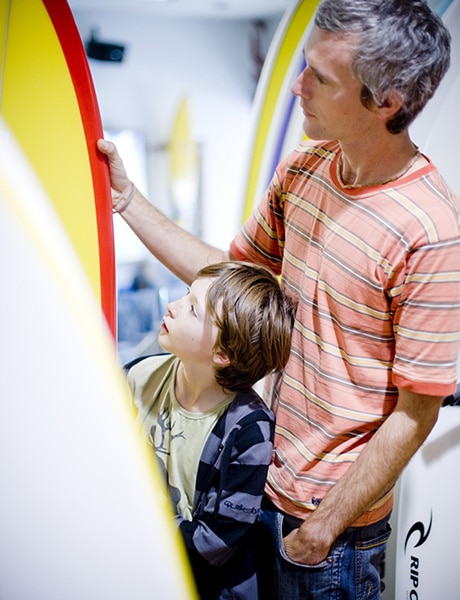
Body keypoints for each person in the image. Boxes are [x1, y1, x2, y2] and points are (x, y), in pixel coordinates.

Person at [98, 0, 460, 596]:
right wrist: (127, 200)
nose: (297, 87)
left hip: (331, 532)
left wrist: (323, 527)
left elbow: (415, 412)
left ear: (386, 102)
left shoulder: (430, 229)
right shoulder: (304, 168)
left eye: (320, 77)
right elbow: (229, 279)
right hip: (259, 487)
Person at [124, 261, 294, 600]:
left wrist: (134, 524)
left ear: (222, 353)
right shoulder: (137, 377)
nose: (173, 305)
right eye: (186, 294)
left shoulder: (249, 429)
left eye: (192, 310)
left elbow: (215, 544)